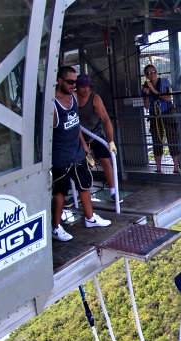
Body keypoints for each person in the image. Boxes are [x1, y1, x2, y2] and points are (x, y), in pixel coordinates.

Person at [51, 66, 111, 242]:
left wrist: (84, 144)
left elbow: (75, 124)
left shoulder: (73, 98)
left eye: (75, 82)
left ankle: (89, 217)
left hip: (76, 151)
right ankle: (56, 226)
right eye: (70, 82)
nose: (73, 85)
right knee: (60, 192)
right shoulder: (52, 104)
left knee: (84, 185)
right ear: (60, 81)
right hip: (60, 155)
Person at [75, 74, 119, 200]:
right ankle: (81, 193)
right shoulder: (72, 98)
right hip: (79, 134)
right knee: (79, 165)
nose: (85, 90)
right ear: (77, 87)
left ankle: (113, 191)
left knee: (106, 160)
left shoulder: (95, 98)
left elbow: (105, 119)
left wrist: (111, 141)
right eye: (82, 87)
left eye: (87, 87)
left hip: (96, 133)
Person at [142, 65, 180, 173]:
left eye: (153, 72)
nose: (151, 75)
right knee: (156, 140)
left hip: (167, 112)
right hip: (155, 115)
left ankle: (176, 168)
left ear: (157, 72)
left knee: (172, 138)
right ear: (146, 75)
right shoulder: (146, 86)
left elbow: (168, 97)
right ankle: (158, 168)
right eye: (148, 73)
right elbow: (146, 106)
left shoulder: (164, 82)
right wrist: (146, 95)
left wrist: (154, 91)